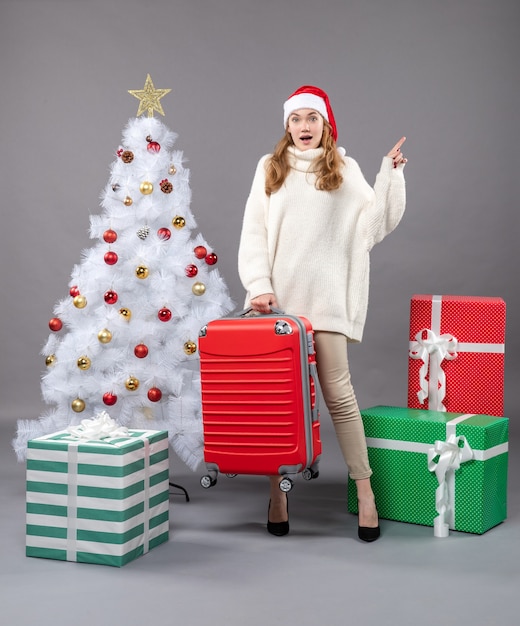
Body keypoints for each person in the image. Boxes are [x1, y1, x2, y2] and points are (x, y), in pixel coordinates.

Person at [237, 85, 407, 541]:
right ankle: (277, 493)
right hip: (280, 306)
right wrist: (259, 287)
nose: (304, 127)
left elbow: (373, 226)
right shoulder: (270, 168)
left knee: (339, 397)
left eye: (312, 118)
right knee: (278, 403)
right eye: (296, 119)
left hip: (327, 303)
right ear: (287, 126)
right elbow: (254, 229)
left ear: (325, 125)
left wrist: (389, 175)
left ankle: (366, 491)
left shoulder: (345, 170)